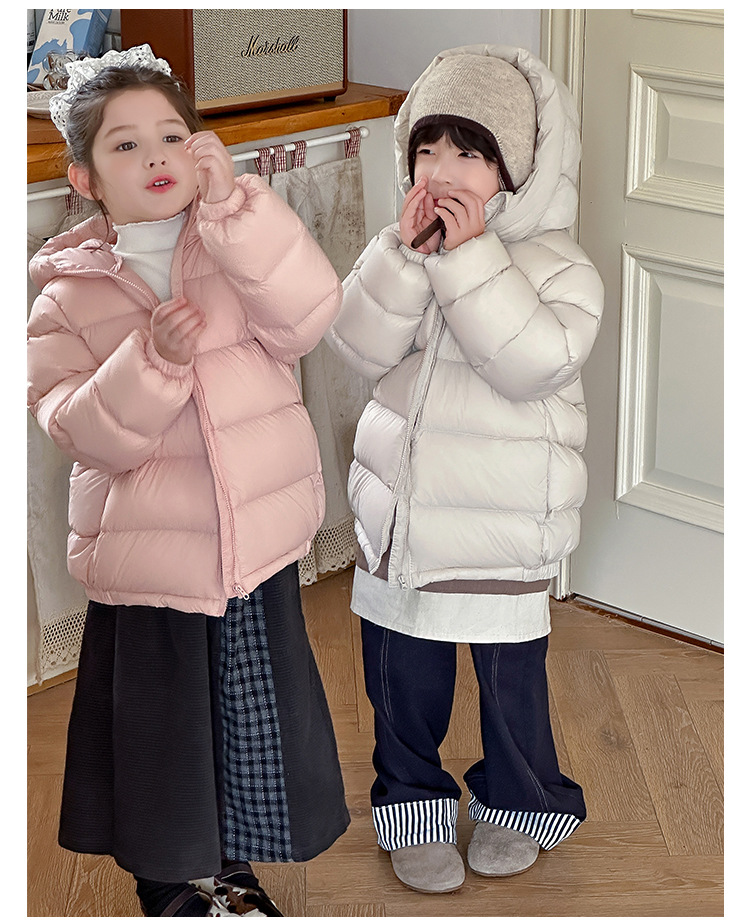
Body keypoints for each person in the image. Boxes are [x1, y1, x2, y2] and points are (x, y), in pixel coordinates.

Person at [27, 45, 349, 917]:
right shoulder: (64, 295)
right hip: (151, 565)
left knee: (249, 725)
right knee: (163, 740)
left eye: (172, 135)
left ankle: (232, 873)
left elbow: (308, 315)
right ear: (86, 177)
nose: (156, 157)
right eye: (125, 145)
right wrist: (154, 361)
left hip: (253, 547)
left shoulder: (235, 239)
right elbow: (78, 430)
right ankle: (172, 884)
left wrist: (239, 204)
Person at [325, 45, 604, 894]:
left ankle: (522, 802)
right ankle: (412, 808)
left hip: (502, 525)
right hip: (404, 522)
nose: (442, 170)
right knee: (401, 684)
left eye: (470, 152)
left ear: (516, 170)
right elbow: (356, 347)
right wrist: (408, 257)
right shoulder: (400, 248)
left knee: (511, 690)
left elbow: (531, 365)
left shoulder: (563, 266)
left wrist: (468, 259)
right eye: (428, 148)